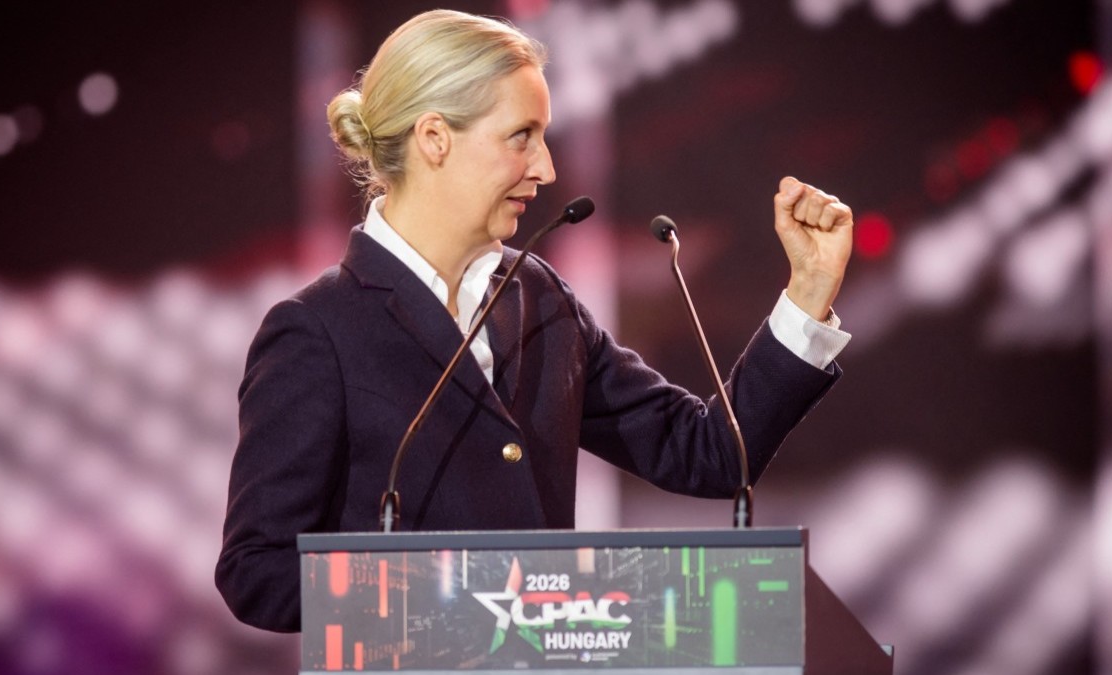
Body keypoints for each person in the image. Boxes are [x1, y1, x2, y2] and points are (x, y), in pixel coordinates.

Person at [216, 9, 854, 633]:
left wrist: (809, 292)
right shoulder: (316, 331)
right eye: (522, 136)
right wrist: (442, 602)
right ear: (434, 138)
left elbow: (709, 454)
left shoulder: (540, 297)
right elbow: (257, 572)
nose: (546, 168)